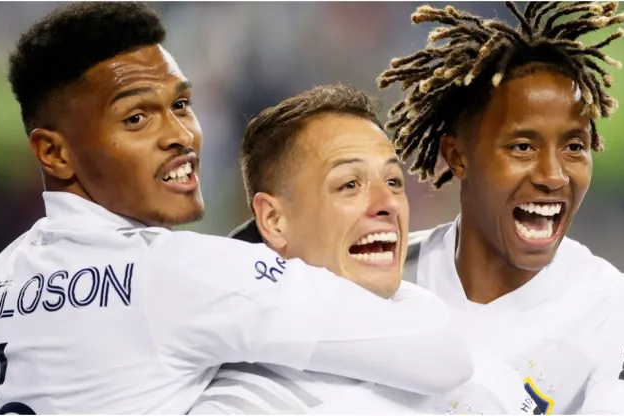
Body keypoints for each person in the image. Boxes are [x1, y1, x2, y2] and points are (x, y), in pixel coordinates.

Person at [0, 3, 474, 414]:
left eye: (181, 105)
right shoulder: (183, 273)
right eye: (136, 118)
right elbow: (442, 355)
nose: (180, 136)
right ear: (54, 152)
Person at [377, 2, 624, 414]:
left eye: (575, 147)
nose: (554, 175)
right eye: (523, 146)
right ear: (458, 156)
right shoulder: (376, 280)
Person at [202, 84, 533, 414]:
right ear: (274, 220)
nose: (387, 203)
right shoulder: (241, 403)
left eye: (393, 182)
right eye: (349, 184)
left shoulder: (479, 365)